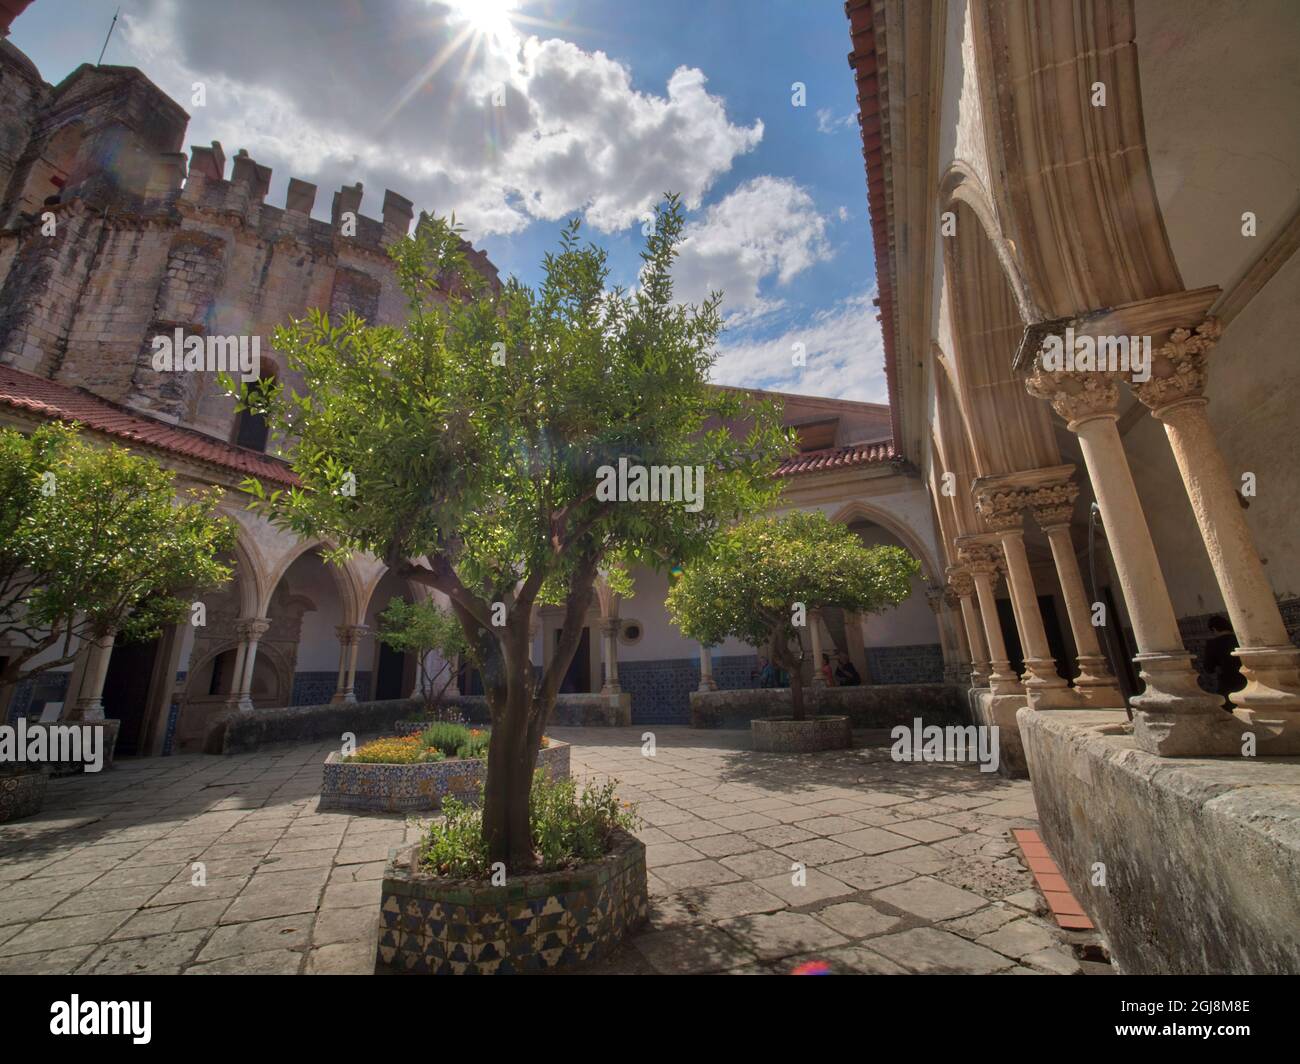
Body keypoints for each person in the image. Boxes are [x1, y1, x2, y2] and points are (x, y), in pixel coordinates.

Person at [1202, 615, 1244, 711]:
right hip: (1247, 679)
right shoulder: (1240, 639)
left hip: (1228, 683)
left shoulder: (1213, 644)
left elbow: (1208, 667)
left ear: (1214, 629)